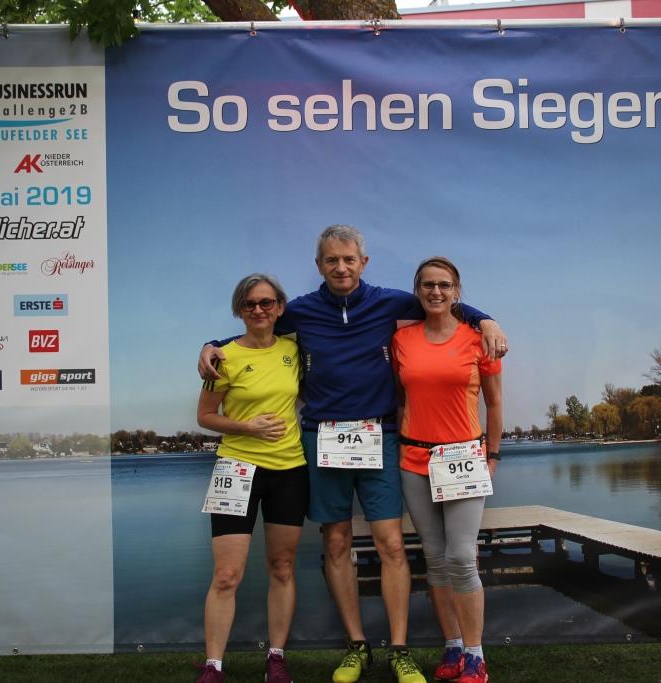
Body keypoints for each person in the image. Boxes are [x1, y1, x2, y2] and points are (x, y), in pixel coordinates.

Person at [198, 225, 508, 683]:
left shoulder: (390, 302)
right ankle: (356, 645)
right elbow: (254, 328)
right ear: (319, 265)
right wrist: (211, 345)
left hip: (380, 436)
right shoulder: (299, 310)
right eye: (331, 260)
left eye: (348, 259)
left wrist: (486, 320)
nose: (340, 267)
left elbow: (441, 300)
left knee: (392, 544)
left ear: (363, 263)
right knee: (336, 543)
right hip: (321, 439)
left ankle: (399, 649)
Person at [392, 256, 503, 683]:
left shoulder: (478, 340)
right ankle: (453, 646)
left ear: (457, 291)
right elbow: (400, 398)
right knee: (435, 559)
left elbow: (494, 403)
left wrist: (493, 456)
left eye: (444, 285)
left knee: (461, 557)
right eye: (427, 285)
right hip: (414, 461)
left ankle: (476, 655)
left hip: (463, 459)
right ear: (417, 291)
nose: (435, 292)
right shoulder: (402, 340)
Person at [195, 274, 309, 683]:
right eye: (249, 304)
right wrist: (247, 427)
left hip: (289, 470)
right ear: (239, 310)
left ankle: (276, 658)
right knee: (226, 575)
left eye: (266, 303)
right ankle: (213, 666)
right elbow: (205, 416)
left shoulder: (294, 350)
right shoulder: (223, 357)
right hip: (236, 468)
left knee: (282, 568)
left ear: (280, 308)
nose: (258, 310)